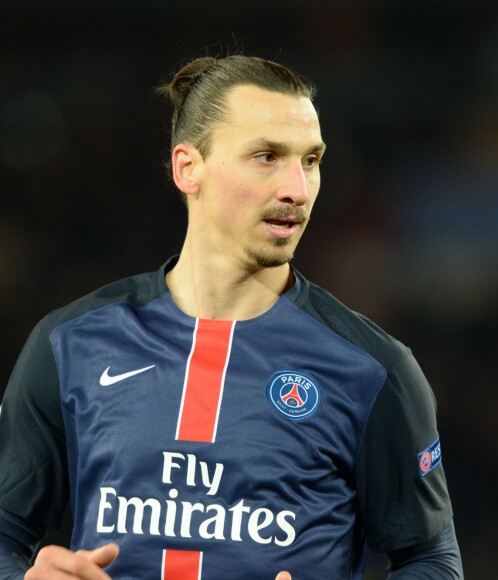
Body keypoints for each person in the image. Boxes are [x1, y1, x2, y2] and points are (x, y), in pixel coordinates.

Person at [0, 54, 462, 579]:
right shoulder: (71, 345)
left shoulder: (375, 372)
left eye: (310, 160)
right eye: (267, 156)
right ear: (187, 168)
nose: (298, 189)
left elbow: (431, 559)